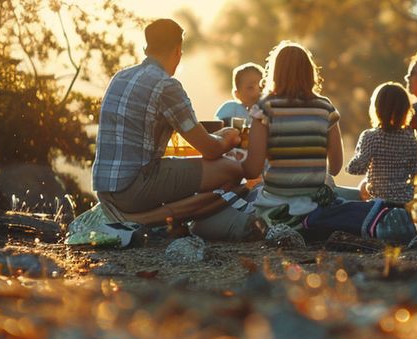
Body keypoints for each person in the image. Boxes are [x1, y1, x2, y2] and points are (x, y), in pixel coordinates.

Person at [92, 19, 244, 216]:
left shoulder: (120, 77)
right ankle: (144, 219)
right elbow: (210, 149)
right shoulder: (166, 86)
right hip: (133, 190)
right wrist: (227, 138)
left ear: (146, 49)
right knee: (230, 170)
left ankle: (144, 218)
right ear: (177, 51)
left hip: (105, 192)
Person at [242, 41, 344, 226]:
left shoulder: (265, 109)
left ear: (275, 72)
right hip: (315, 207)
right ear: (309, 72)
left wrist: (231, 164)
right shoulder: (325, 107)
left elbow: (252, 170)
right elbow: (336, 167)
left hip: (274, 208)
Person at [347, 82, 417, 204]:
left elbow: (357, 169)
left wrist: (349, 166)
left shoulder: (370, 136)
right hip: (403, 201)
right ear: (406, 110)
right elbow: (415, 169)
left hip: (376, 200)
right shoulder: (410, 138)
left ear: (376, 109)